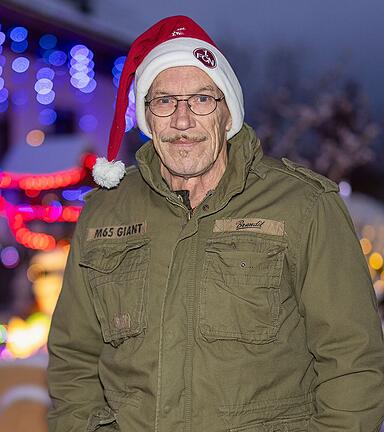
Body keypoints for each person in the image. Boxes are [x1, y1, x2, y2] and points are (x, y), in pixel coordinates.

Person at [47, 15, 384, 432]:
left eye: (202, 99)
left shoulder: (304, 206)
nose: (183, 120)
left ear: (229, 113)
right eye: (165, 101)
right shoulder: (104, 214)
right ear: (148, 117)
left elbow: (353, 359)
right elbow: (73, 357)